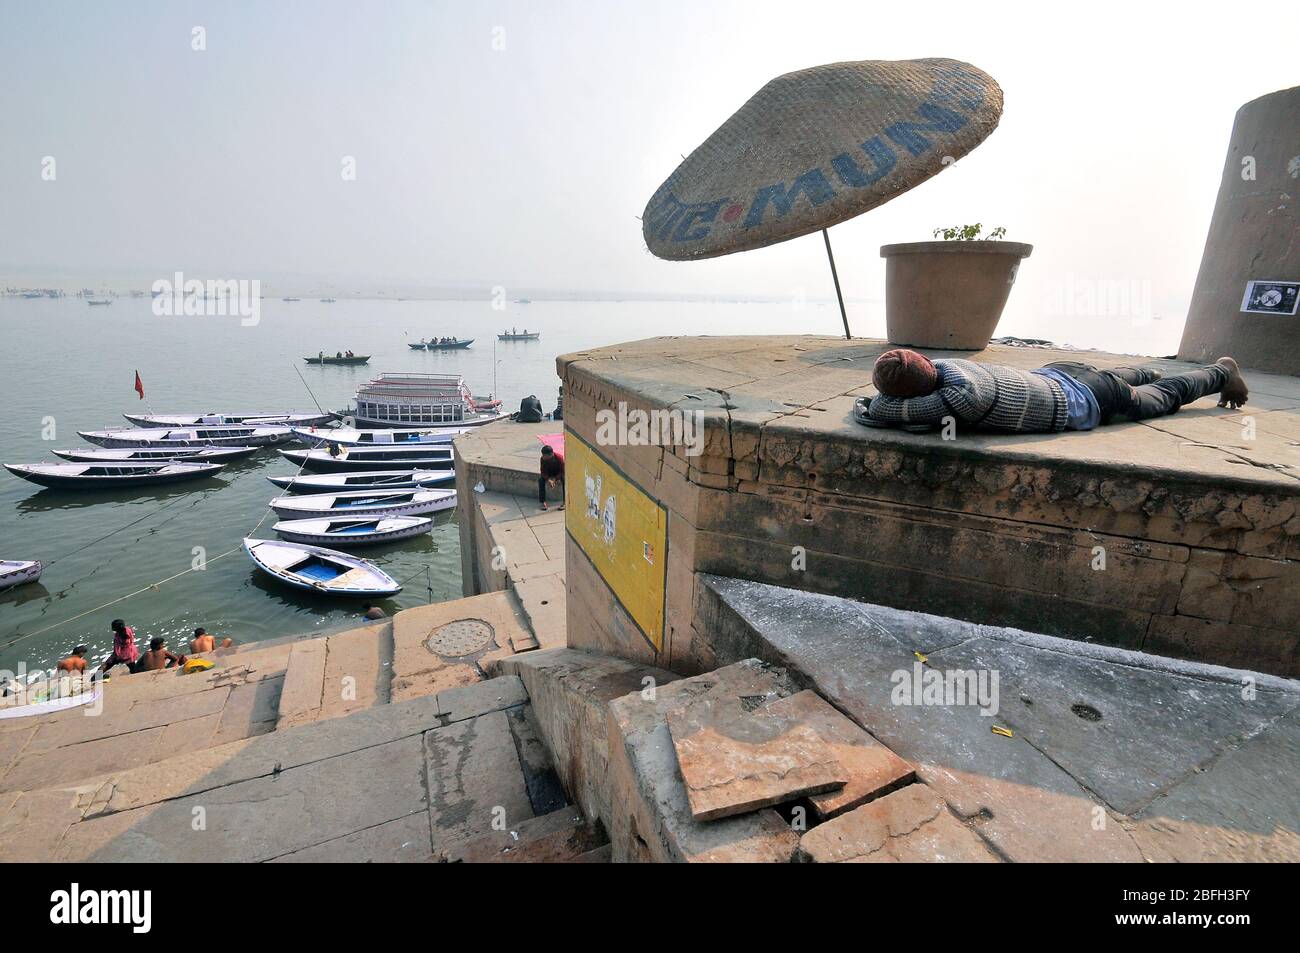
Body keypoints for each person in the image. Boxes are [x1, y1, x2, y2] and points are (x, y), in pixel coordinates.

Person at [856, 349, 1248, 434]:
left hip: (1093, 399)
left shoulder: (962, 396)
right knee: (1116, 375)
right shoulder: (946, 366)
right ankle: (1148, 367)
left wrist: (881, 406)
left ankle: (1219, 372)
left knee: (1165, 397)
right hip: (1058, 373)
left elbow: (880, 410)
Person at [539, 444, 565, 511]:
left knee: (564, 479)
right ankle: (543, 501)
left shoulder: (559, 458)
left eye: (545, 455)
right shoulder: (542, 459)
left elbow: (562, 471)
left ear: (550, 454)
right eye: (543, 455)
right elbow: (542, 471)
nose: (543, 457)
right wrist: (548, 479)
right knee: (541, 480)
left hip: (558, 473)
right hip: (549, 473)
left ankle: (565, 501)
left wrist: (555, 479)